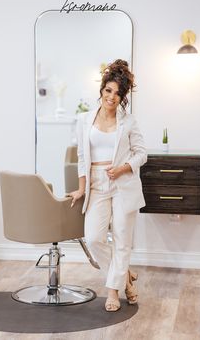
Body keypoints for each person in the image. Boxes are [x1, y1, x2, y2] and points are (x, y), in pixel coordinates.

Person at [69, 59, 147, 312]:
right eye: (108, 91)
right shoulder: (84, 120)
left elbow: (141, 153)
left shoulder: (129, 121)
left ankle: (113, 291)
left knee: (123, 239)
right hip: (96, 184)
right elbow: (82, 156)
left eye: (117, 93)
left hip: (123, 183)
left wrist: (124, 167)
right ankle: (124, 275)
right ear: (101, 90)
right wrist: (82, 188)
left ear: (123, 96)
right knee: (94, 239)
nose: (112, 97)